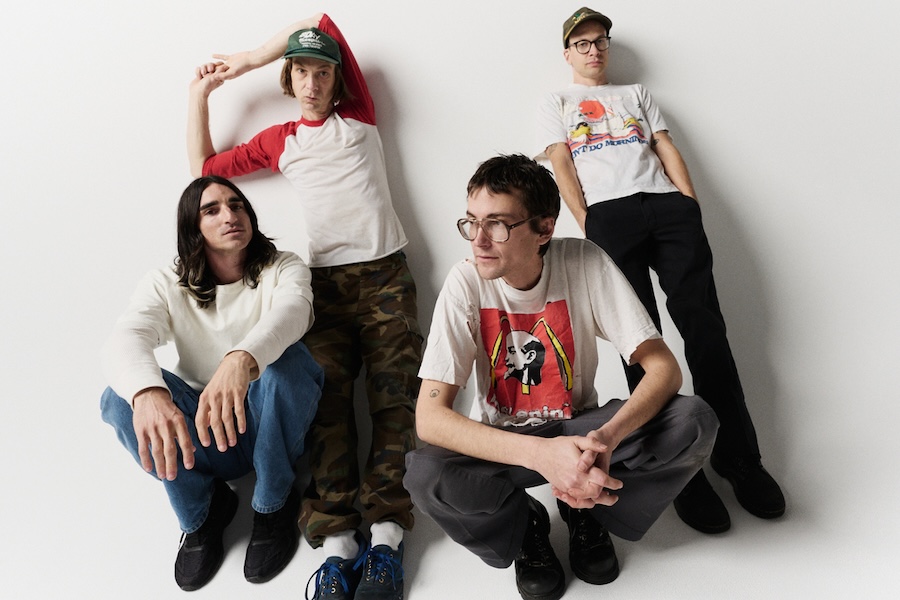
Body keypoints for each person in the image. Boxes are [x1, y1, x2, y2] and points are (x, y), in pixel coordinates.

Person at [404, 154, 719, 600]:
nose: (478, 239)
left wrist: (607, 439)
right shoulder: (465, 282)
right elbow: (430, 420)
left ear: (544, 229)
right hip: (506, 447)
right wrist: (542, 455)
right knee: (424, 475)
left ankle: (588, 507)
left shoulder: (582, 261)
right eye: (471, 222)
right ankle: (524, 525)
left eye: (497, 224)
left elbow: (663, 367)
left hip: (581, 436)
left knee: (694, 421)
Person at [187, 13, 421, 600]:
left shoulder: (359, 117)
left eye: (323, 71)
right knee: (327, 407)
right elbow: (205, 172)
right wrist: (201, 96)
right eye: (302, 72)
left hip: (386, 276)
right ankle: (337, 542)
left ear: (338, 81)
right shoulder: (280, 140)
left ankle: (388, 536)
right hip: (321, 288)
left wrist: (247, 58)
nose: (314, 82)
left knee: (396, 397)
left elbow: (319, 21)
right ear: (289, 81)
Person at [536, 7, 785, 534]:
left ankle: (739, 459)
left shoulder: (636, 94)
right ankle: (679, 472)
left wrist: (688, 204)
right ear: (567, 53)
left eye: (599, 40)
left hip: (667, 208)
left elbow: (664, 146)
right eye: (581, 43)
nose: (593, 49)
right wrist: (589, 221)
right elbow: (561, 162)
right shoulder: (555, 101)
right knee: (641, 345)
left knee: (706, 329)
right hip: (610, 216)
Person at [100, 176, 324, 591]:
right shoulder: (167, 281)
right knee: (118, 399)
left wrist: (241, 359)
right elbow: (126, 336)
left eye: (237, 205)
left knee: (287, 360)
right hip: (204, 435)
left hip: (267, 427)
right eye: (212, 209)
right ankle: (203, 512)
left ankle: (273, 503)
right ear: (193, 227)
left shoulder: (284, 265)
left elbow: (294, 312)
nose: (230, 215)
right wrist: (148, 393)